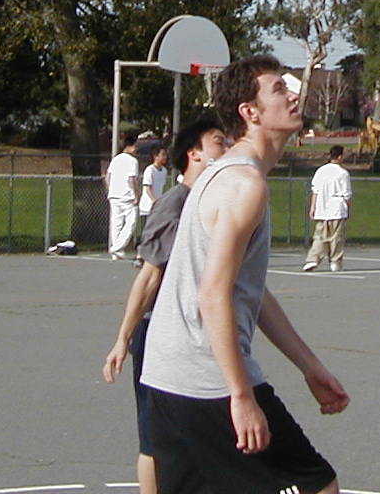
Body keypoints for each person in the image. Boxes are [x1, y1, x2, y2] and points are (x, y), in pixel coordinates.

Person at [141, 54, 348, 494]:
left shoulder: (226, 174)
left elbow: (248, 290)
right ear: (249, 112)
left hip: (165, 376)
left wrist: (309, 366)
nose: (293, 96)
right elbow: (212, 295)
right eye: (279, 90)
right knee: (317, 487)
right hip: (206, 380)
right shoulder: (244, 184)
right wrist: (240, 395)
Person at [103, 117, 228, 494]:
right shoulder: (175, 205)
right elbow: (148, 277)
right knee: (155, 435)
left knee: (200, 432)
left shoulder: (214, 202)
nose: (226, 149)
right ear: (194, 154)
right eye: (218, 142)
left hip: (197, 331)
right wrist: (123, 339)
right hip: (160, 329)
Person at [303, 145, 352, 273]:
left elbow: (315, 191)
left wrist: (313, 207)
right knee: (336, 237)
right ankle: (335, 261)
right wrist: (348, 209)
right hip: (337, 209)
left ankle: (313, 259)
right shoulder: (343, 173)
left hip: (322, 208)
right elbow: (347, 194)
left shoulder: (321, 171)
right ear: (340, 156)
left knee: (319, 236)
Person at [105, 133, 141, 261]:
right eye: (135, 145)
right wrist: (136, 195)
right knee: (131, 222)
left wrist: (111, 190)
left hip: (114, 195)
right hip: (127, 196)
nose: (136, 148)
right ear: (129, 146)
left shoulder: (116, 159)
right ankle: (116, 248)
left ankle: (116, 251)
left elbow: (107, 177)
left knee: (116, 223)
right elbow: (132, 180)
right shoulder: (132, 161)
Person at [139, 143, 170, 234]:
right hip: (147, 207)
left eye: (165, 155)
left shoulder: (164, 171)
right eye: (162, 155)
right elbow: (147, 188)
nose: (165, 157)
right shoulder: (150, 170)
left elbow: (162, 187)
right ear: (155, 156)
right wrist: (154, 201)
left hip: (158, 207)